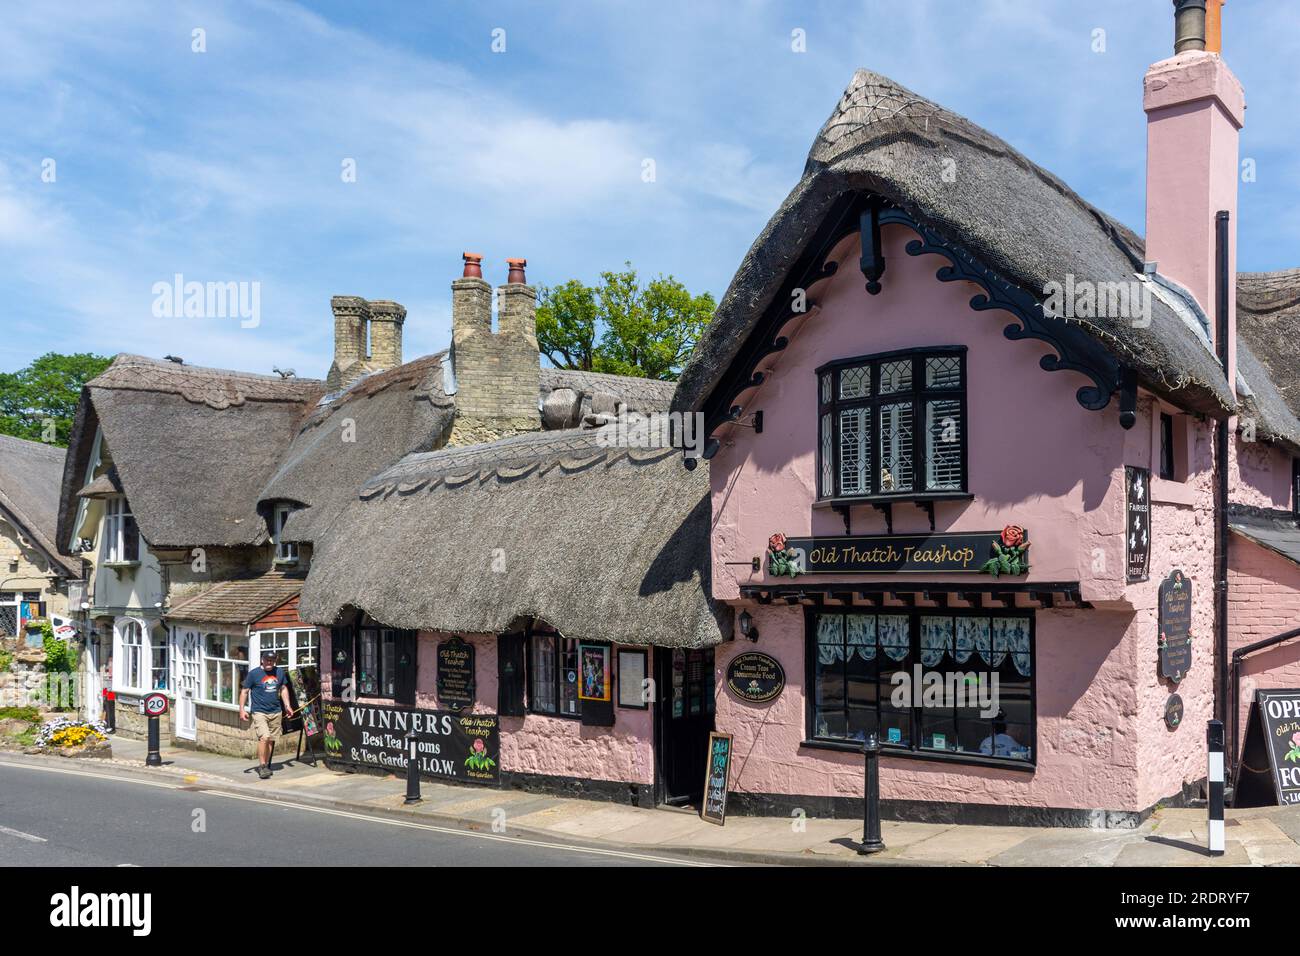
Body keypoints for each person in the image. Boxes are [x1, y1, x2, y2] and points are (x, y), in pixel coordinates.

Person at [239, 651, 292, 779]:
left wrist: (287, 706)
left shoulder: (279, 672)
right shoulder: (254, 674)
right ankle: (262, 766)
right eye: (267, 660)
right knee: (264, 737)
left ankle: (266, 764)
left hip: (276, 711)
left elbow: (283, 689)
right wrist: (242, 709)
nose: (269, 663)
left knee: (271, 740)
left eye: (272, 660)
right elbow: (245, 691)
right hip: (259, 711)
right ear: (262, 660)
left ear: (275, 660)